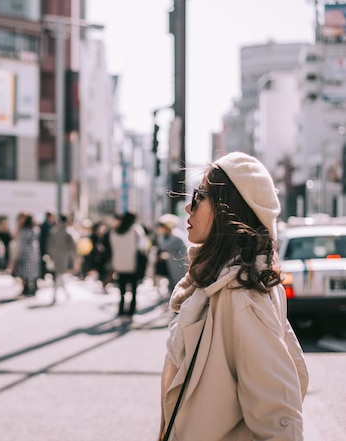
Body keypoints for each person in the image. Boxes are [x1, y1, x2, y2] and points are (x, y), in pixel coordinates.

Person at [159, 152, 308, 440]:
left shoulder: (241, 296)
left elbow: (278, 415)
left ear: (229, 208)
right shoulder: (216, 284)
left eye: (199, 196)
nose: (189, 206)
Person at [108, 211, 149, 317]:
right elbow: (142, 246)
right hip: (133, 264)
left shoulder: (115, 231)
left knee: (121, 289)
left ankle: (121, 309)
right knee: (134, 289)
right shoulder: (136, 230)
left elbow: (112, 247)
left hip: (119, 263)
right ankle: (131, 310)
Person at [46, 214, 79, 303]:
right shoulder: (68, 232)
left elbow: (50, 246)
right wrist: (75, 259)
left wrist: (50, 255)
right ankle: (58, 295)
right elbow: (73, 247)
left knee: (59, 276)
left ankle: (61, 294)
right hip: (64, 256)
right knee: (59, 276)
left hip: (56, 256)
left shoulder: (54, 231)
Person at [154, 214, 187, 299]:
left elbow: (164, 246)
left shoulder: (176, 236)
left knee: (178, 285)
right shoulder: (169, 235)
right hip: (174, 265)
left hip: (180, 265)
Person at [9, 211, 41, 296]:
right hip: (34, 253)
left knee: (24, 272)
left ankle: (27, 288)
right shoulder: (35, 229)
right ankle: (33, 287)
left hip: (24, 253)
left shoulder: (24, 231)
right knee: (32, 272)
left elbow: (19, 242)